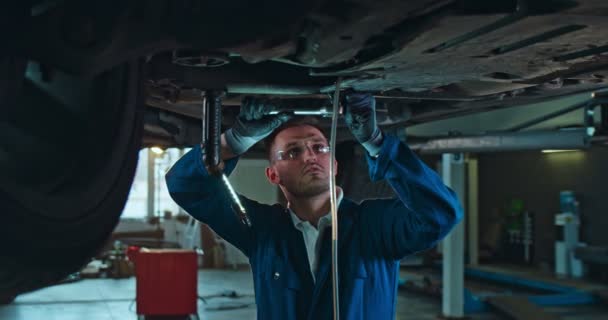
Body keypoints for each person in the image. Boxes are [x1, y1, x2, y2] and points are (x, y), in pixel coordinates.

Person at [165, 93, 462, 319]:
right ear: (273, 174)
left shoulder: (375, 226)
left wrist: (376, 143)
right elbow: (185, 185)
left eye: (319, 148)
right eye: (292, 152)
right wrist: (237, 139)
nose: (309, 156)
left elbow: (441, 213)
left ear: (333, 164)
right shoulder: (260, 231)